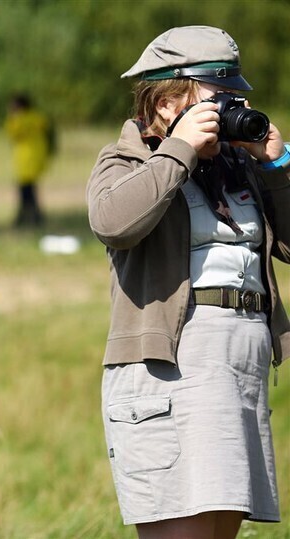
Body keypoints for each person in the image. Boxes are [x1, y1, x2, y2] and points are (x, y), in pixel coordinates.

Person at [87, 26, 290, 538]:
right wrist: (179, 150)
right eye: (218, 98)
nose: (232, 108)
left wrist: (277, 166)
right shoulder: (128, 159)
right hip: (173, 365)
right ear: (167, 101)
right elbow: (113, 223)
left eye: (236, 96)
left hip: (239, 363)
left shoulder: (237, 165)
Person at [5, 93, 53, 228]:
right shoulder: (38, 118)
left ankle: (28, 216)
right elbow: (48, 134)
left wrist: (12, 117)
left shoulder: (18, 120)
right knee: (30, 188)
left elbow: (12, 133)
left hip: (24, 159)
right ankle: (32, 216)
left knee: (26, 190)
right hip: (37, 157)